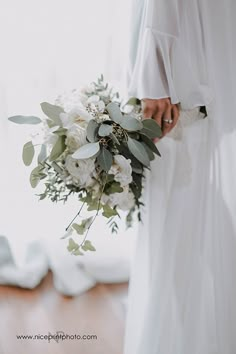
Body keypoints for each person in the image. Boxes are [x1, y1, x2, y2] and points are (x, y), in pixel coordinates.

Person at [124, 0, 236, 353]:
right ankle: (198, 329)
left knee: (175, 213)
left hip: (179, 88)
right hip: (194, 77)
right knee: (192, 205)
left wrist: (154, 80)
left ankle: (181, 336)